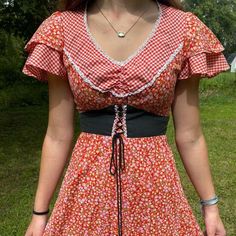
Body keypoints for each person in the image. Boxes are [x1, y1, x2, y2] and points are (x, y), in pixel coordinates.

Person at [22, 0, 230, 235]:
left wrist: (210, 207)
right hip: (86, 196)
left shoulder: (184, 28)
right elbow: (58, 135)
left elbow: (190, 135)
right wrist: (39, 215)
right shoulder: (61, 28)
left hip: (156, 195)